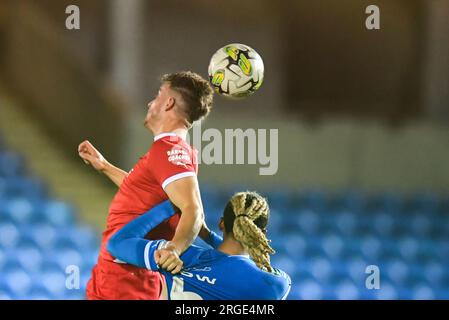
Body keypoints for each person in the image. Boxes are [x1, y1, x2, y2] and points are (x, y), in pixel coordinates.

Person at [78, 71, 214, 299]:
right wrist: (104, 166)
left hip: (128, 284)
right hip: (115, 278)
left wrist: (173, 249)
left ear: (169, 102)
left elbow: (193, 209)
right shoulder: (169, 152)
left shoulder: (170, 150)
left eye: (158, 94)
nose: (151, 102)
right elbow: (142, 194)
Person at [107, 191, 291, 300]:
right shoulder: (273, 284)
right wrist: (208, 236)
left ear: (221, 223)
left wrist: (173, 206)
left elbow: (117, 243)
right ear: (261, 234)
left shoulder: (178, 256)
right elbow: (242, 265)